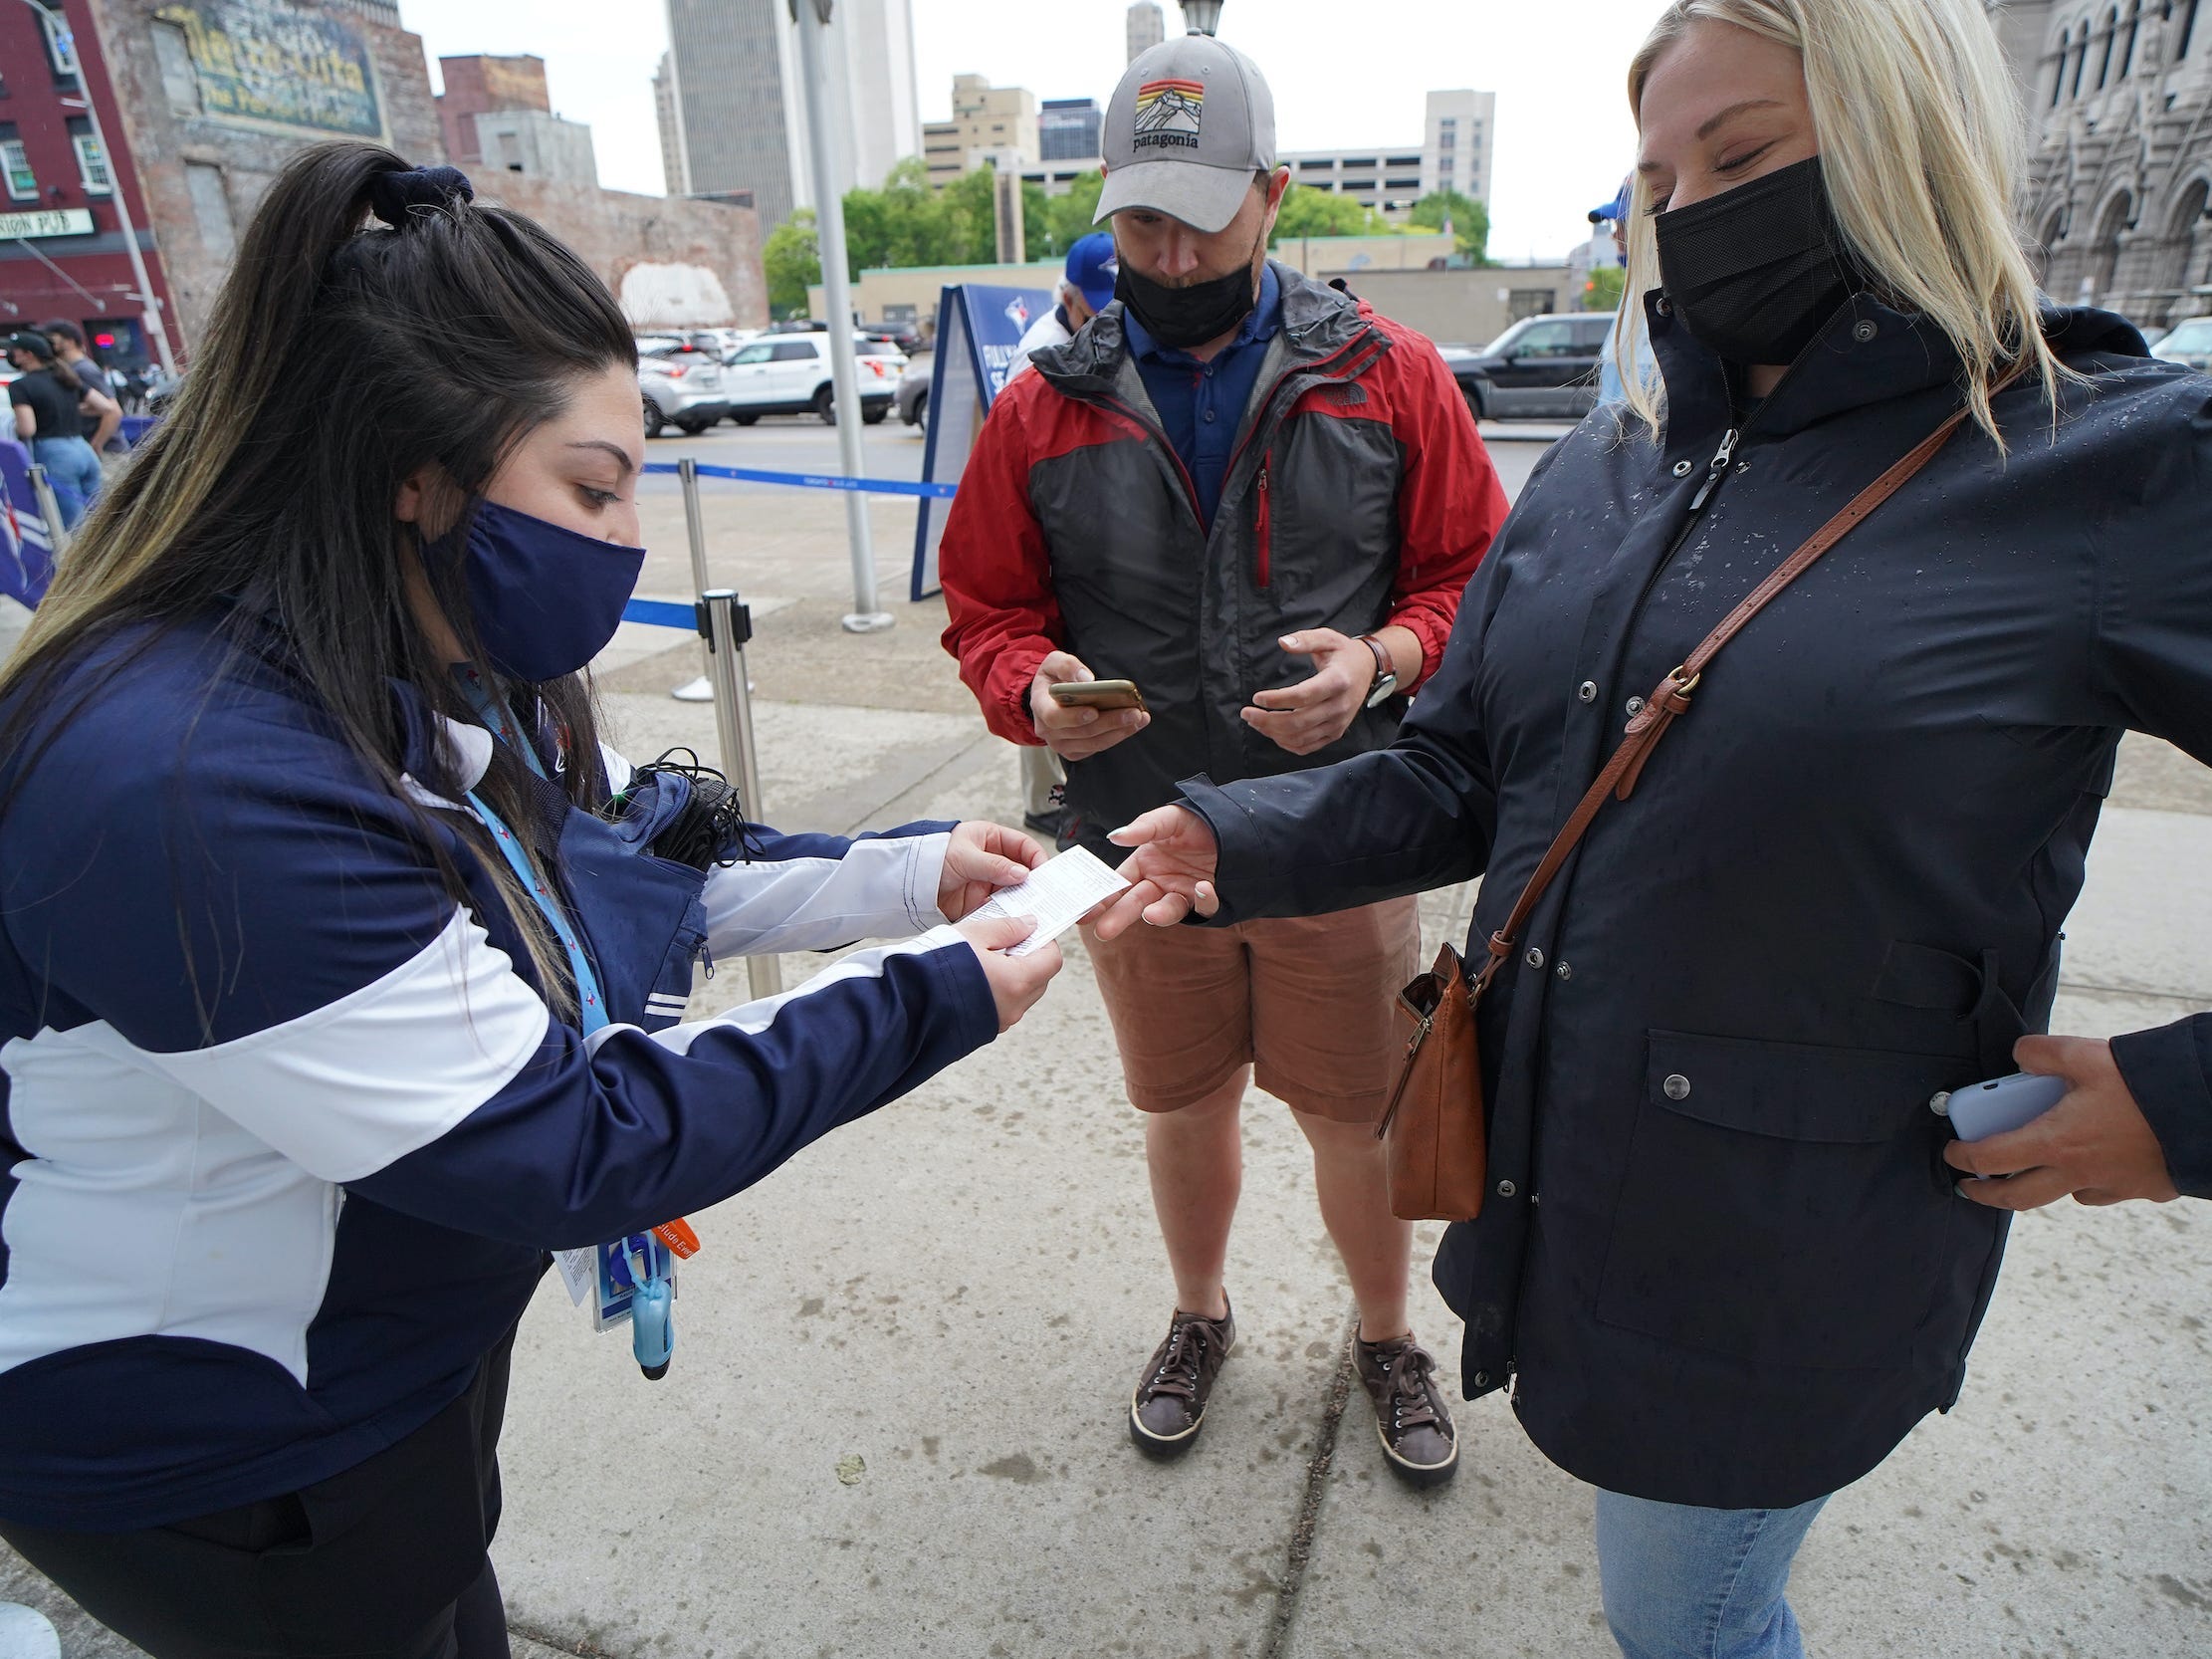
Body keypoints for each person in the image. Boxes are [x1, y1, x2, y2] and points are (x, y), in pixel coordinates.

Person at [1099, 0, 2212, 1653]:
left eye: (1744, 154)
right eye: (1656, 173)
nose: (1690, 209)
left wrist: (2183, 1104)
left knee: (1685, 1622)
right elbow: (1463, 774)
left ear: (1912, 137)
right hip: (1565, 1190)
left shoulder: (2098, 460)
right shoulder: (1611, 466)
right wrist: (1230, 835)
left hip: (1783, 1255)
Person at [0, 143, 1061, 1659]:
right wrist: (938, 992)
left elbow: (633, 859)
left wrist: (910, 874)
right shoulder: (188, 783)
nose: (623, 541)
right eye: (591, 488)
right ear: (413, 471)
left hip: (383, 1351)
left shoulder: (430, 655)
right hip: (225, 1443)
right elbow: (574, 1140)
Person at [940, 36, 1508, 1486]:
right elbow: (989, 610)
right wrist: (1031, 686)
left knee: (1350, 1114)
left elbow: (1473, 582)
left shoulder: (1389, 379)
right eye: (1138, 215)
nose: (1168, 246)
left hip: (1339, 831)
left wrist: (1379, 661)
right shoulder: (1038, 408)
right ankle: (1199, 1312)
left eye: (1199, 212)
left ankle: (1384, 1333)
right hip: (1135, 843)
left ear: (1272, 196)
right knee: (1181, 1104)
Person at [1003, 231, 1120, 837]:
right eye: (1095, 300)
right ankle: (1049, 802)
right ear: (1070, 295)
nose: (1105, 312)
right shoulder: (1040, 356)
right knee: (1045, 678)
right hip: (1056, 544)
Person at [4, 331, 113, 528]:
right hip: (83, 448)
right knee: (101, 521)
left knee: (75, 527)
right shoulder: (67, 378)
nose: (13, 355)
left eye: (17, 351)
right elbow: (105, 407)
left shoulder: (21, 386)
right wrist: (71, 410)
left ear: (28, 355)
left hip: (55, 454)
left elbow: (27, 428)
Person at [33, 320, 122, 453]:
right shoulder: (68, 370)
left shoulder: (84, 370)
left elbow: (114, 412)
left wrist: (96, 445)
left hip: (108, 453)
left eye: (52, 340)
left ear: (69, 341)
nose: (49, 344)